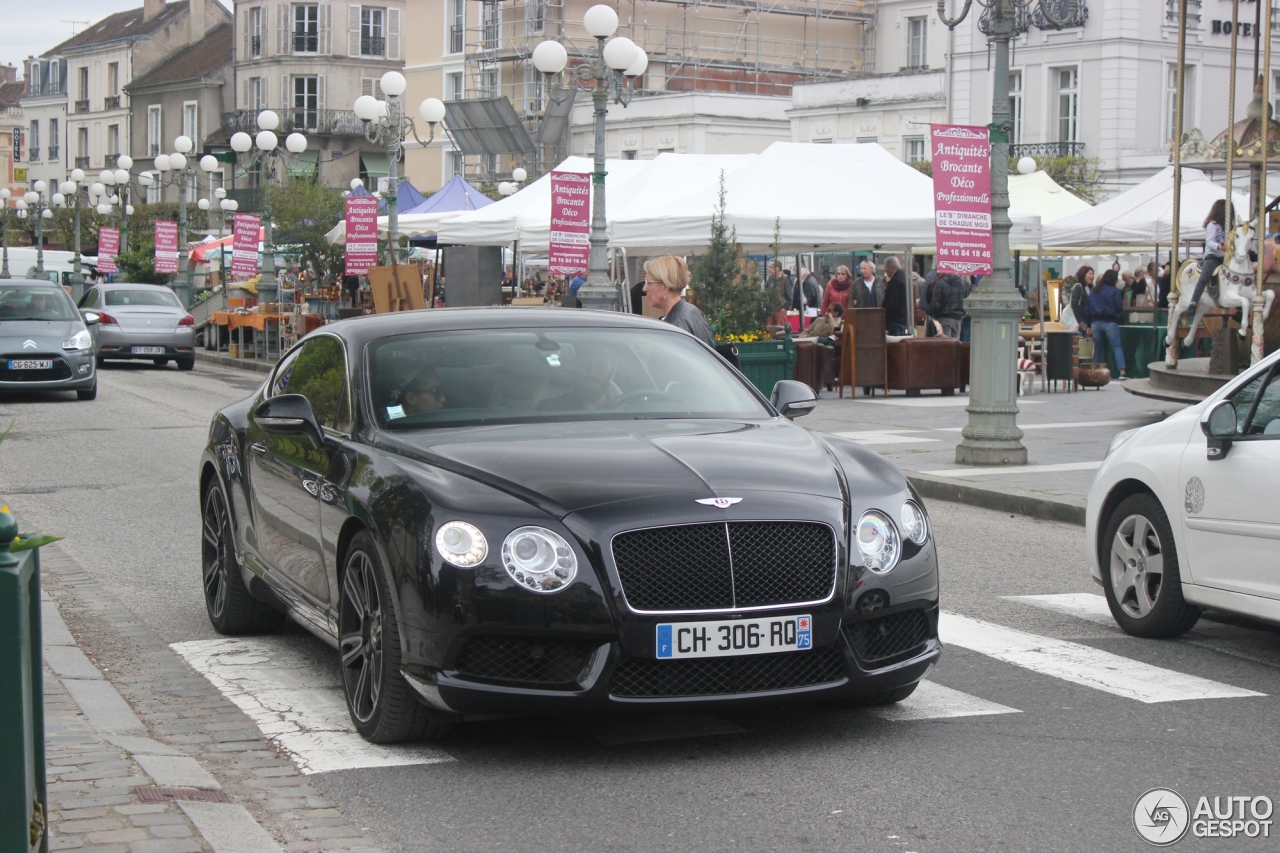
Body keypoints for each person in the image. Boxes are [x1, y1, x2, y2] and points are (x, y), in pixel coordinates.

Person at [644, 255, 716, 348]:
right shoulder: (692, 311)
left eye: (649, 282)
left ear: (665, 287)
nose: (644, 288)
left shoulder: (674, 327)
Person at [1084, 268, 1128, 379]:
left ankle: (1096, 371)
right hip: (1110, 321)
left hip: (1095, 322)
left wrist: (1088, 325)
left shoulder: (1094, 291)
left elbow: (1088, 309)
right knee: (1117, 347)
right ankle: (1122, 371)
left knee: (1098, 348)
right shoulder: (1114, 291)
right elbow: (1119, 307)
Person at [1189, 200, 1228, 309]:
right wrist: (1218, 246)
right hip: (1214, 256)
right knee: (1205, 276)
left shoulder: (1228, 226)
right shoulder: (1213, 224)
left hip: (1226, 256)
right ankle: (1193, 301)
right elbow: (1209, 241)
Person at [928, 271, 968, 338]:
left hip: (944, 317)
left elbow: (935, 304)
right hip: (958, 318)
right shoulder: (962, 283)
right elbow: (965, 300)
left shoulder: (940, 283)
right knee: (956, 344)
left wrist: (935, 315)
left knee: (946, 343)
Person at [881, 255, 911, 336]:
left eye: (886, 268)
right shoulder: (905, 278)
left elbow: (892, 302)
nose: (885, 271)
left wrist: (885, 315)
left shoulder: (895, 281)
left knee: (894, 345)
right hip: (904, 319)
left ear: (890, 267)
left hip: (895, 321)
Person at [1070, 266, 1093, 334]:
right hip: (1080, 321)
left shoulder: (1091, 288)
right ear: (1083, 275)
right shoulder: (1078, 287)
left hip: (1089, 321)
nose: (1092, 276)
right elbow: (1074, 305)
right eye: (1090, 274)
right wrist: (1080, 321)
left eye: (1093, 274)